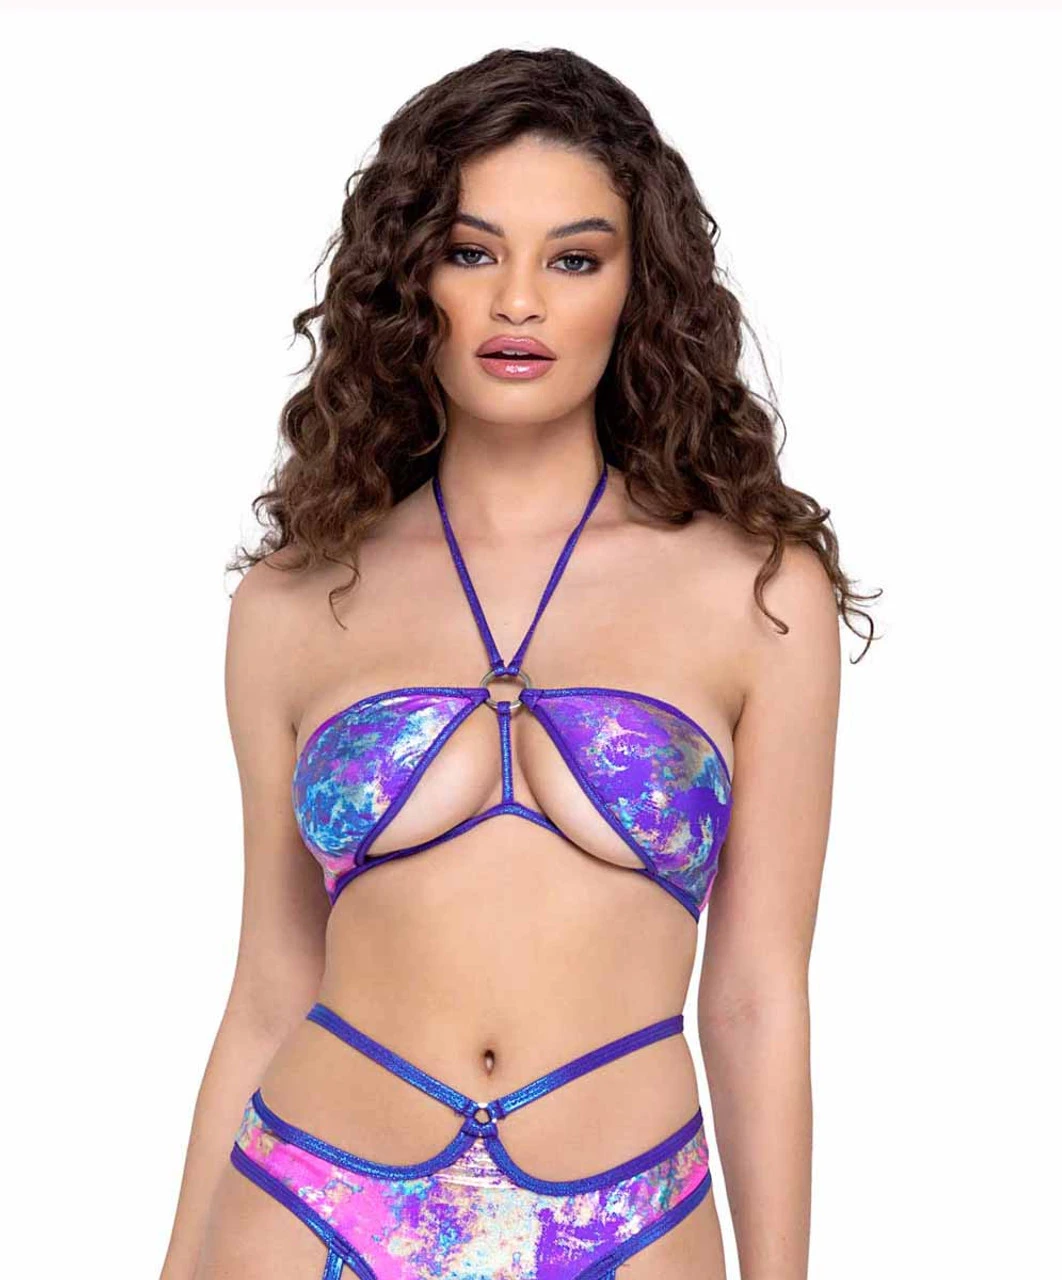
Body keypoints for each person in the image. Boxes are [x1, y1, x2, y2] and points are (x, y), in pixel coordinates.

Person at [162, 46, 874, 1280]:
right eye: (472, 251)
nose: (520, 303)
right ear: (409, 279)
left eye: (575, 259)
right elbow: (271, 986)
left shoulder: (758, 593)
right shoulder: (292, 600)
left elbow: (758, 993)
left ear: (638, 289)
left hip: (625, 1220)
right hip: (308, 1200)